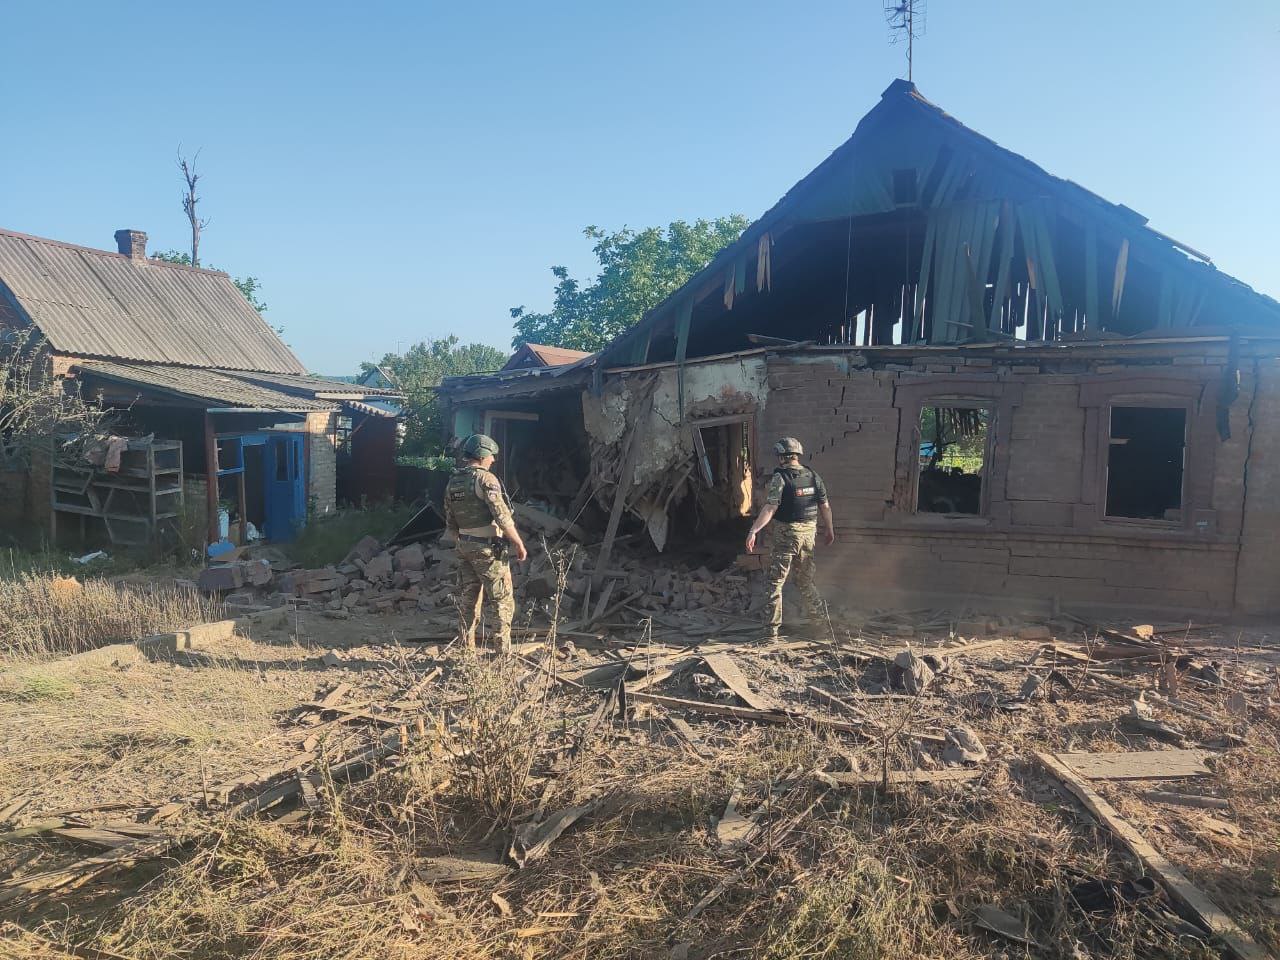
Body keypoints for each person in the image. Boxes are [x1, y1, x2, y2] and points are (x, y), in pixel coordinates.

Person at [443, 433, 528, 652]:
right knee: (502, 600)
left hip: (464, 546)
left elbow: (450, 521)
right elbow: (501, 515)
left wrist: (463, 542)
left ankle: (466, 650)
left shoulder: (454, 481)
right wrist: (518, 542)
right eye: (491, 456)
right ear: (482, 455)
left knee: (468, 599)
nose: (493, 460)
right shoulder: (486, 480)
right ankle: (502, 653)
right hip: (488, 548)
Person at [745, 437, 835, 639]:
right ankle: (821, 627)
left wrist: (754, 530)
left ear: (781, 457)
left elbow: (770, 507)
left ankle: (770, 633)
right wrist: (829, 529)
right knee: (805, 581)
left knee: (774, 583)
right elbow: (825, 506)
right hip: (808, 535)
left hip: (787, 535)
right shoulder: (813, 476)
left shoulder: (781, 478)